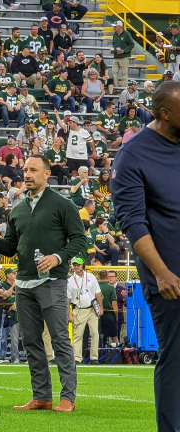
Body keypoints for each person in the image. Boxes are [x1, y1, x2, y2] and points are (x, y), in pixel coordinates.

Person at [0, 154, 86, 412]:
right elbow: (10, 247)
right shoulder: (17, 208)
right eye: (25, 170)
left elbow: (80, 240)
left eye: (33, 170)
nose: (26, 174)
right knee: (30, 341)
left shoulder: (63, 204)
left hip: (52, 281)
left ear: (47, 174)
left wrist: (57, 256)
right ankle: (42, 396)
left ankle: (68, 397)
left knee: (60, 339)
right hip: (24, 283)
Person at [111, 81, 180, 431]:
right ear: (164, 113)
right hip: (171, 277)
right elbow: (134, 224)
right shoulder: (134, 154)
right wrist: (161, 273)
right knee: (176, 357)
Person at [67, 257, 103, 363]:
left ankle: (94, 357)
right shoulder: (70, 281)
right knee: (78, 334)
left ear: (83, 266)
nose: (76, 266)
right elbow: (67, 300)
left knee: (95, 333)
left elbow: (98, 293)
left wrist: (100, 307)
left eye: (78, 264)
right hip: (79, 309)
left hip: (92, 308)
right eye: (74, 265)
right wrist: (69, 314)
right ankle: (77, 358)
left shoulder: (91, 277)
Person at [111, 20, 134, 89]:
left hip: (124, 57)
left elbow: (132, 44)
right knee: (114, 72)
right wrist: (113, 50)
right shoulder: (114, 34)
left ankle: (123, 89)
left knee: (124, 74)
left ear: (120, 26)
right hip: (116, 56)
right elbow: (114, 44)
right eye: (114, 26)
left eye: (115, 26)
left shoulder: (127, 34)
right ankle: (116, 88)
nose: (114, 28)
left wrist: (124, 51)